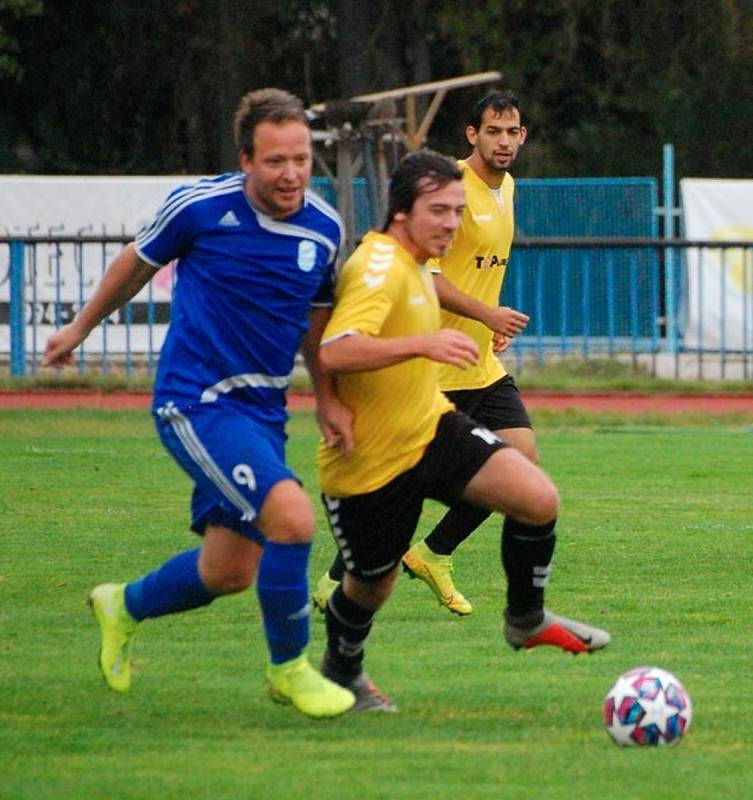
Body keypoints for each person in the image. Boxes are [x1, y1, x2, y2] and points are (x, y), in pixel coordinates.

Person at [42, 88, 355, 719]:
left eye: (301, 158)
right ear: (246, 159)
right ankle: (289, 670)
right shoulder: (200, 207)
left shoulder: (324, 229)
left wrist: (329, 401)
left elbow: (316, 327)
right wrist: (78, 329)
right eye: (275, 161)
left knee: (229, 572)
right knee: (292, 518)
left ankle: (122, 605)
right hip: (196, 401)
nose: (292, 173)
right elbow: (135, 263)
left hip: (264, 413)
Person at [315, 149, 609, 712]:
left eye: (457, 210)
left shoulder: (418, 264)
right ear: (402, 211)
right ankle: (342, 670)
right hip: (371, 459)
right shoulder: (377, 268)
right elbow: (336, 349)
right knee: (371, 586)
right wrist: (423, 343)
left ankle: (525, 619)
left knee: (536, 496)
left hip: (431, 430)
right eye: (440, 211)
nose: (453, 223)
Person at [313, 89, 537, 616]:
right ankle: (337, 578)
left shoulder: (510, 189)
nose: (503, 141)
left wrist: (491, 323)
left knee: (522, 460)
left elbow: (477, 272)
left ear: (522, 136)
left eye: (512, 132)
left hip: (478, 359)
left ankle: (435, 553)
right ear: (472, 134)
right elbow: (428, 277)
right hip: (434, 364)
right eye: (493, 131)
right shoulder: (448, 188)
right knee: (405, 489)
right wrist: (485, 315)